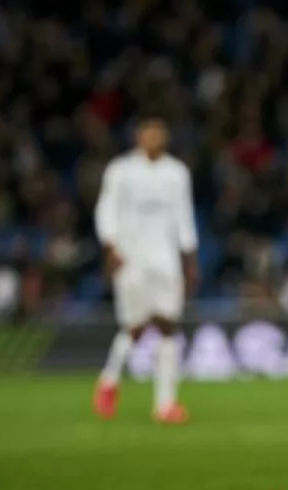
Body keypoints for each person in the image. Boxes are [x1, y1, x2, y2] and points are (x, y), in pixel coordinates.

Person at [92, 115, 199, 424]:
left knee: (168, 325)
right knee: (136, 327)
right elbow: (105, 209)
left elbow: (184, 215)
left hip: (166, 259)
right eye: (148, 134)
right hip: (131, 258)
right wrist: (111, 248)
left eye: (159, 133)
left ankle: (165, 405)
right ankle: (109, 380)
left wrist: (189, 258)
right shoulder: (121, 170)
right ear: (138, 138)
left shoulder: (177, 172)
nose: (154, 139)